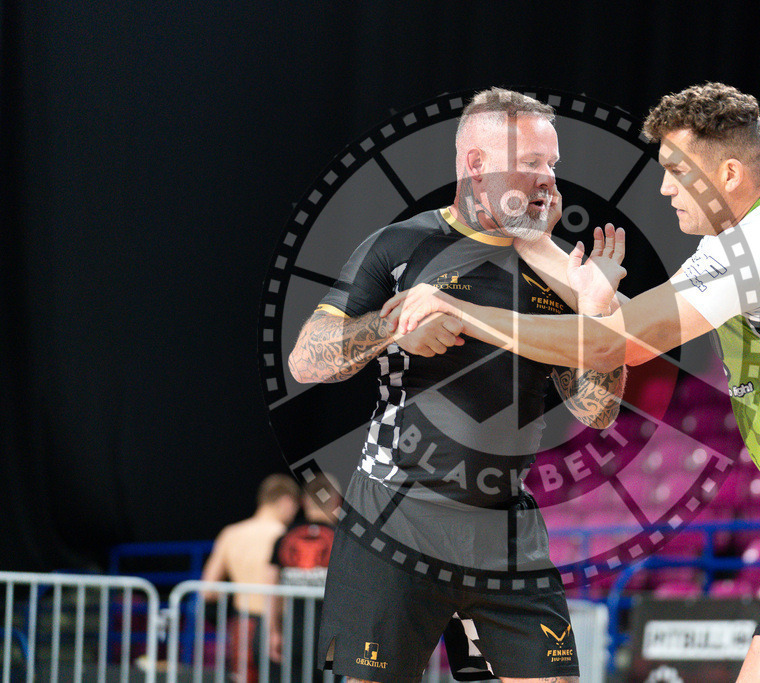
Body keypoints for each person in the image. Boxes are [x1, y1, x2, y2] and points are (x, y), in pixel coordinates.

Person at [385, 82, 760, 683]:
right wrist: (537, 244)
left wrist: (465, 315)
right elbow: (624, 322)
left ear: (731, 173)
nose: (663, 188)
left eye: (676, 171)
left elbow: (616, 344)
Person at [288, 87, 627, 682]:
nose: (547, 179)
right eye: (530, 165)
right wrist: (392, 327)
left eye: (552, 165)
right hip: (396, 518)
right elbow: (306, 362)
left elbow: (597, 410)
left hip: (506, 528)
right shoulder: (402, 246)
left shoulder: (552, 271)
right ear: (475, 165)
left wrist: (598, 311)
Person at [202, 473, 301, 681]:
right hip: (279, 627)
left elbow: (208, 590)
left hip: (242, 625)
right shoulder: (286, 537)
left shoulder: (231, 533)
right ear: (286, 501)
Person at [268, 472, 342, 682]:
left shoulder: (284, 538)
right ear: (336, 501)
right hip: (333, 641)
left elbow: (271, 588)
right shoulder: (345, 541)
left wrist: (273, 631)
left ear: (304, 501)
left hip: (293, 635)